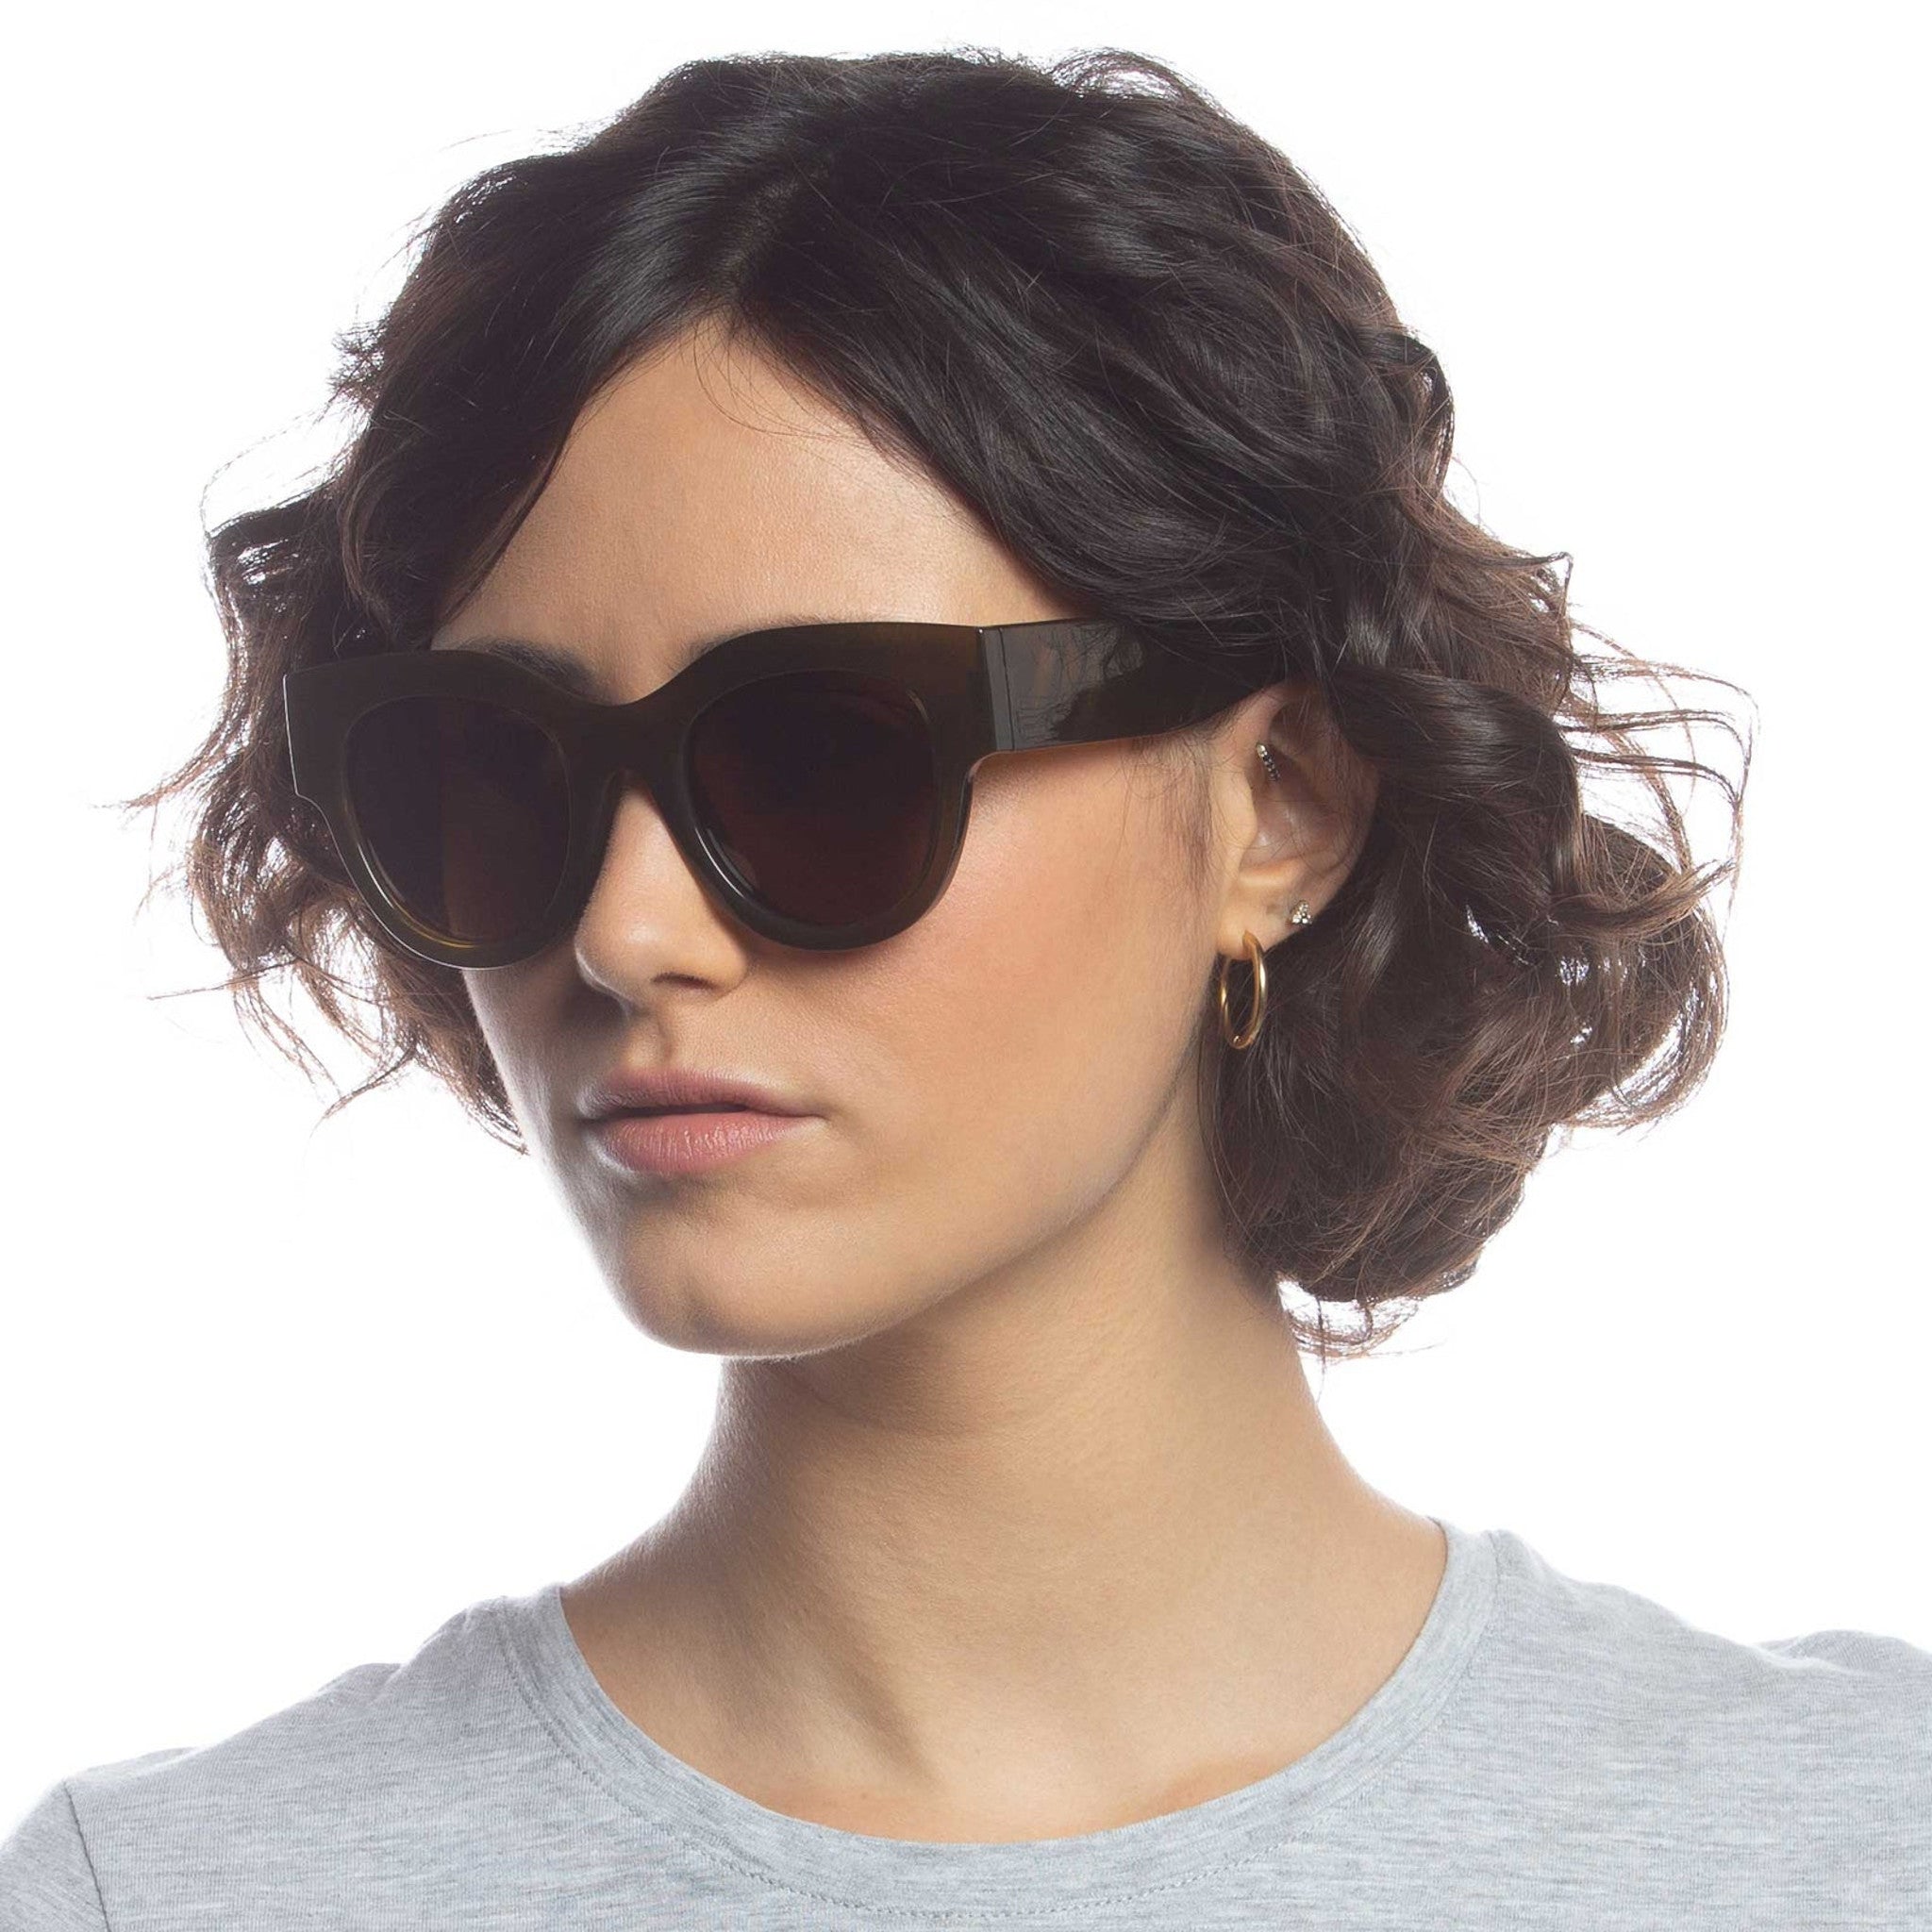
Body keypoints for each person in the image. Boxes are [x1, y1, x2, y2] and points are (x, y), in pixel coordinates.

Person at [3, 42, 1924, 1930]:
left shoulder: (1850, 1847)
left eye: (824, 758)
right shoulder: (164, 1899)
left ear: (1282, 803)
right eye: (496, 769)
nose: (624, 930)